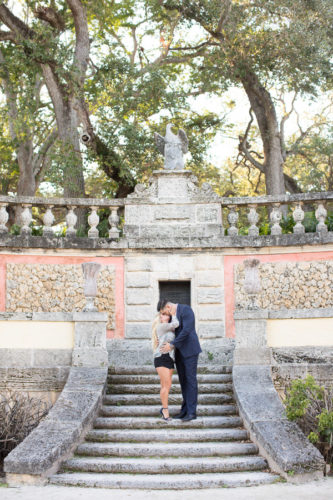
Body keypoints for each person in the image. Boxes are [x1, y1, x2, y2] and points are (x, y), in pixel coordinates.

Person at [157, 298, 201, 421]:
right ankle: (184, 410)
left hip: (190, 351)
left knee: (191, 381)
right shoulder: (172, 317)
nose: (166, 315)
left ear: (168, 307)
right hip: (179, 353)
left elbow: (187, 330)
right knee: (183, 381)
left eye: (165, 312)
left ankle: (192, 412)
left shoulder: (186, 310)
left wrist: (172, 345)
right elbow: (168, 330)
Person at [152, 310, 179, 421]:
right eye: (163, 314)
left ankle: (164, 409)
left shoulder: (170, 329)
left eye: (167, 314)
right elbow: (177, 324)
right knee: (165, 385)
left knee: (167, 386)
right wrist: (174, 312)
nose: (166, 316)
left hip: (170, 358)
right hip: (161, 357)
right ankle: (165, 410)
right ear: (159, 317)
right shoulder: (161, 327)